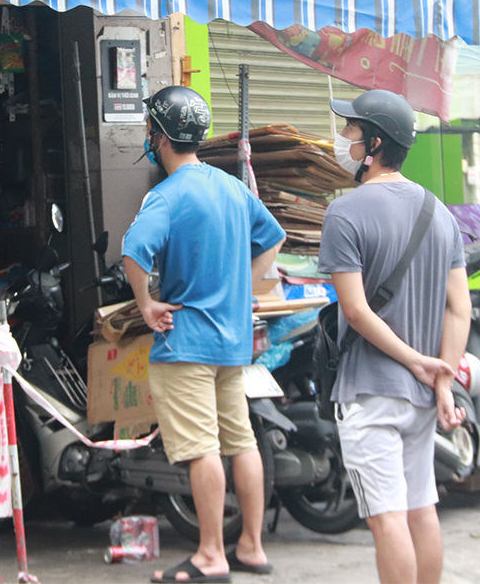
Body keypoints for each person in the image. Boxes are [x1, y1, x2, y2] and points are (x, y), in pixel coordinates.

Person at [121, 86, 286, 584]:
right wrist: (244, 287)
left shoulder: (166, 196)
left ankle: (211, 555)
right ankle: (251, 547)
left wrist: (147, 305)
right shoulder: (232, 187)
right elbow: (272, 240)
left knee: (201, 449)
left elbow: (134, 252)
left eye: (152, 129)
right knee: (242, 443)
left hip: (185, 341)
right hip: (232, 342)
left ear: (162, 137)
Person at [318, 89, 471, 584]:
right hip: (422, 397)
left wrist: (418, 363)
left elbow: (357, 313)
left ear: (375, 142)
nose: (343, 139)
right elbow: (459, 307)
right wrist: (439, 378)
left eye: (352, 131)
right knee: (421, 509)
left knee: (387, 520)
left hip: (369, 392)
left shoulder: (345, 213)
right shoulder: (440, 213)